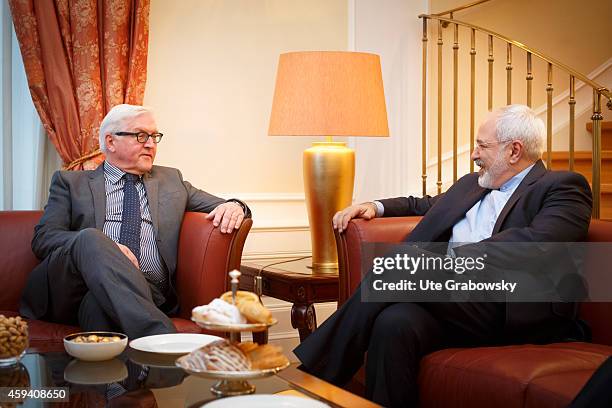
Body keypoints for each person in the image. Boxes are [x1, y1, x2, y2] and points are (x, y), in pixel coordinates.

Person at [293, 104, 593, 407]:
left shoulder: (562, 187)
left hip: (508, 304)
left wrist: (452, 263)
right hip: (456, 302)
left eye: (481, 145)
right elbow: (423, 205)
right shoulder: (473, 183)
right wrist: (376, 206)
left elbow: (537, 244)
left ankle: (311, 380)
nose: (474, 154)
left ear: (514, 151)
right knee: (394, 323)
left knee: (398, 267)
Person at [20, 104, 250, 339]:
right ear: (110, 142)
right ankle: (164, 340)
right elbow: (44, 238)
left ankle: (121, 375)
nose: (151, 144)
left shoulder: (171, 180)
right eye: (141, 136)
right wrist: (105, 249)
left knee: (98, 306)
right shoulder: (70, 183)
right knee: (91, 237)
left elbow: (224, 204)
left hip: (145, 291)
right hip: (74, 287)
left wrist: (235, 205)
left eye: (154, 137)